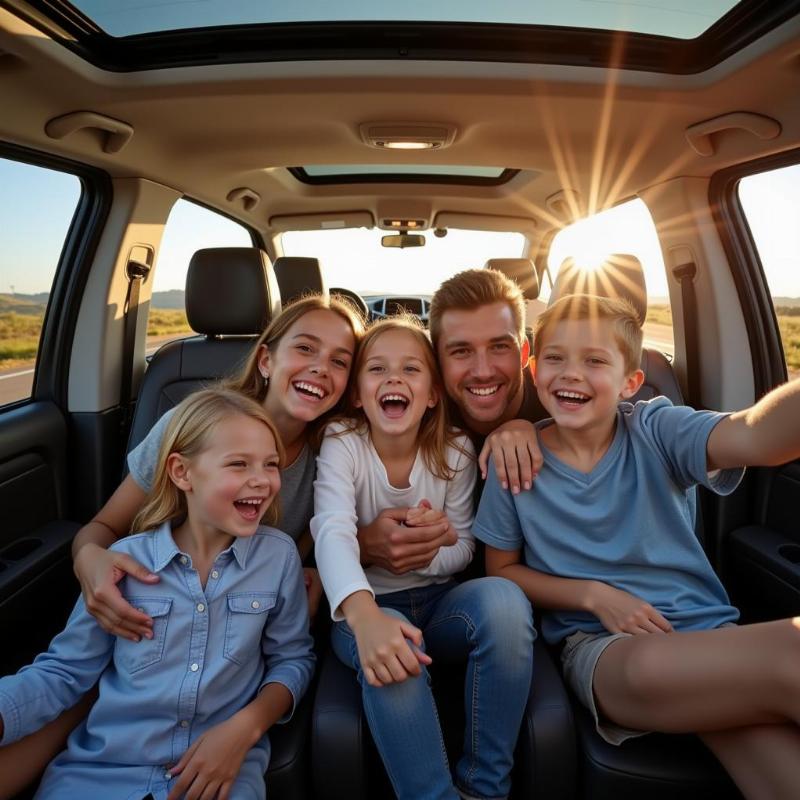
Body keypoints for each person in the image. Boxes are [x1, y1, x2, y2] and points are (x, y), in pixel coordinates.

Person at [0, 294, 364, 798]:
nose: (321, 369)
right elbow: (103, 529)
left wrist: (325, 563)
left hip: (234, 644)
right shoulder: (191, 430)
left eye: (340, 361)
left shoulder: (339, 454)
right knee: (79, 686)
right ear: (266, 358)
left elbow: (315, 558)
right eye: (305, 348)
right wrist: (90, 560)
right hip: (141, 640)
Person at [475, 292, 800, 800]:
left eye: (595, 360)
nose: (571, 373)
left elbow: (757, 435)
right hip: (603, 651)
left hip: (708, 633)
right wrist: (594, 596)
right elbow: (502, 571)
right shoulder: (514, 460)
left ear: (630, 382)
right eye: (555, 357)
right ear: (533, 368)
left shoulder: (655, 428)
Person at [312, 316, 535, 800]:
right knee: (395, 651)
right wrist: (367, 615)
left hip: (439, 604)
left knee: (504, 602)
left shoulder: (454, 450)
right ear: (357, 394)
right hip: (365, 610)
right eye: (377, 369)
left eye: (411, 369)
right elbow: (332, 532)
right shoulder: (343, 443)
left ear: (433, 393)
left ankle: (485, 788)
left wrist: (426, 551)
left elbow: (464, 549)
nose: (394, 379)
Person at [357, 268, 545, 574]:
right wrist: (363, 545)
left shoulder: (562, 407)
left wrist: (539, 429)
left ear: (524, 352)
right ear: (437, 363)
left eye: (499, 346)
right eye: (461, 351)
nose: (482, 370)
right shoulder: (407, 409)